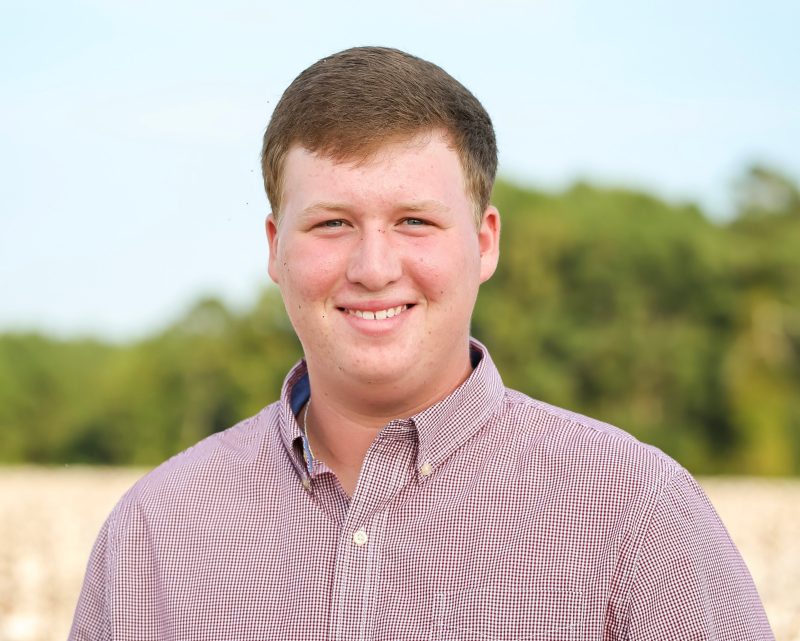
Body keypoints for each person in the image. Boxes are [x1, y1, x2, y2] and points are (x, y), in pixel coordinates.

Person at [70, 46, 774, 640]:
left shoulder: (638, 514)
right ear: (275, 247)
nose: (374, 268)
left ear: (485, 242)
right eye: (332, 224)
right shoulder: (151, 537)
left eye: (413, 221)